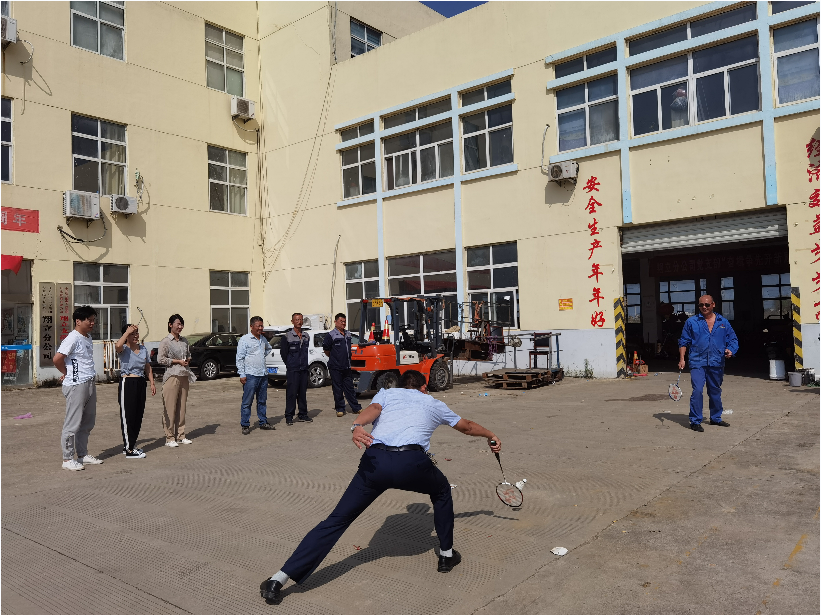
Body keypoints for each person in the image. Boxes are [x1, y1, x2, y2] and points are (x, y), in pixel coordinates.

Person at [259, 369, 502, 605]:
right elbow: (466, 426)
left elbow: (373, 409)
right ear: (423, 387)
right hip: (412, 464)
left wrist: (356, 425)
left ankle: (278, 579)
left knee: (335, 521)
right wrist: (490, 435)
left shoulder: (387, 393)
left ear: (402, 385)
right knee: (441, 491)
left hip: (375, 464)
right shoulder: (432, 402)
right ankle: (446, 556)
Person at [53, 305, 105, 471]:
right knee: (73, 423)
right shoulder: (72, 338)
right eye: (89, 320)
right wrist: (66, 372)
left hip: (89, 381)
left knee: (88, 421)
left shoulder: (87, 337)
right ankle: (67, 459)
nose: (92, 323)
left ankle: (82, 454)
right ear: (78, 321)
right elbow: (57, 359)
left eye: (93, 320)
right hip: (76, 385)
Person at [678, 295, 739, 432]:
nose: (704, 307)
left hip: (716, 361)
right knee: (697, 390)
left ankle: (715, 418)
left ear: (713, 304)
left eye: (706, 305)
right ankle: (695, 420)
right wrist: (682, 359)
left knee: (715, 390)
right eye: (701, 305)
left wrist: (731, 350)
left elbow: (733, 340)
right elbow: (683, 341)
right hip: (697, 361)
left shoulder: (723, 322)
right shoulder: (691, 322)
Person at [115, 323, 156, 458]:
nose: (135, 335)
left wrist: (152, 383)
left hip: (140, 382)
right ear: (126, 335)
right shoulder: (124, 349)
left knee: (138, 415)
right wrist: (127, 332)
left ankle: (131, 445)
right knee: (128, 416)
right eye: (132, 333)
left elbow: (147, 367)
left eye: (136, 333)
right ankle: (129, 450)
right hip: (128, 383)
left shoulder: (143, 349)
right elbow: (117, 345)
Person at [157, 314, 194, 447]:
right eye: (178, 324)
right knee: (170, 408)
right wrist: (177, 361)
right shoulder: (166, 341)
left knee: (182, 408)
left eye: (181, 324)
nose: (180, 326)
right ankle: (169, 437)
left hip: (184, 375)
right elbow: (160, 359)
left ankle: (181, 435)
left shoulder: (184, 341)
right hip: (171, 376)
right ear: (170, 325)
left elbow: (189, 355)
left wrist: (187, 360)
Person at [237, 316, 276, 435]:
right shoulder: (245, 339)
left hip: (263, 374)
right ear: (251, 326)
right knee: (247, 402)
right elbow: (239, 358)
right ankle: (245, 424)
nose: (260, 328)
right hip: (250, 375)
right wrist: (242, 374)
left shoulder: (263, 339)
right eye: (258, 326)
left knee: (262, 400)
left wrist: (260, 356)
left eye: (262, 326)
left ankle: (263, 421)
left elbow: (268, 348)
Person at [323, 313, 362, 417]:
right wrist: (335, 358)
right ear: (335, 322)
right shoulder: (331, 335)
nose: (343, 323)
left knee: (350, 388)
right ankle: (340, 409)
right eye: (341, 321)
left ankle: (356, 407)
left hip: (347, 366)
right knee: (338, 389)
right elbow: (326, 349)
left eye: (344, 321)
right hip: (335, 367)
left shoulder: (348, 334)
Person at [280, 312, 312, 426]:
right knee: (291, 393)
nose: (299, 321)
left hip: (303, 369)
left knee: (302, 393)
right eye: (297, 319)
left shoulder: (306, 336)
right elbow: (284, 353)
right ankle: (289, 416)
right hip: (293, 370)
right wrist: (290, 363)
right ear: (292, 321)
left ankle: (303, 414)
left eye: (301, 319)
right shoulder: (287, 336)